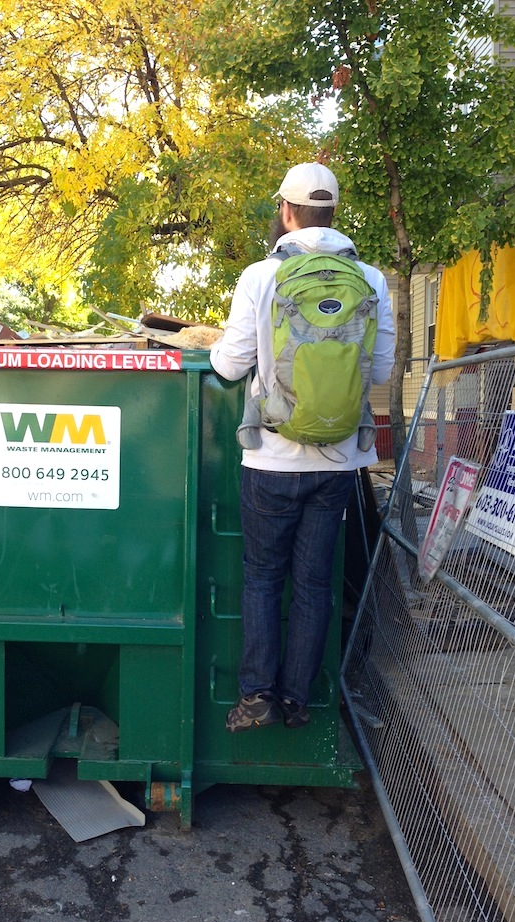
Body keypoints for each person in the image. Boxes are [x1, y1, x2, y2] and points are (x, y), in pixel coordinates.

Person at [210, 162, 395, 732]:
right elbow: (383, 371)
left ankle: (256, 698)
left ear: (286, 212)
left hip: (270, 457)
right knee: (314, 582)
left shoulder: (259, 276)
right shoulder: (372, 280)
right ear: (333, 214)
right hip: (339, 460)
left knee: (264, 578)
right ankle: (297, 701)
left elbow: (229, 362)